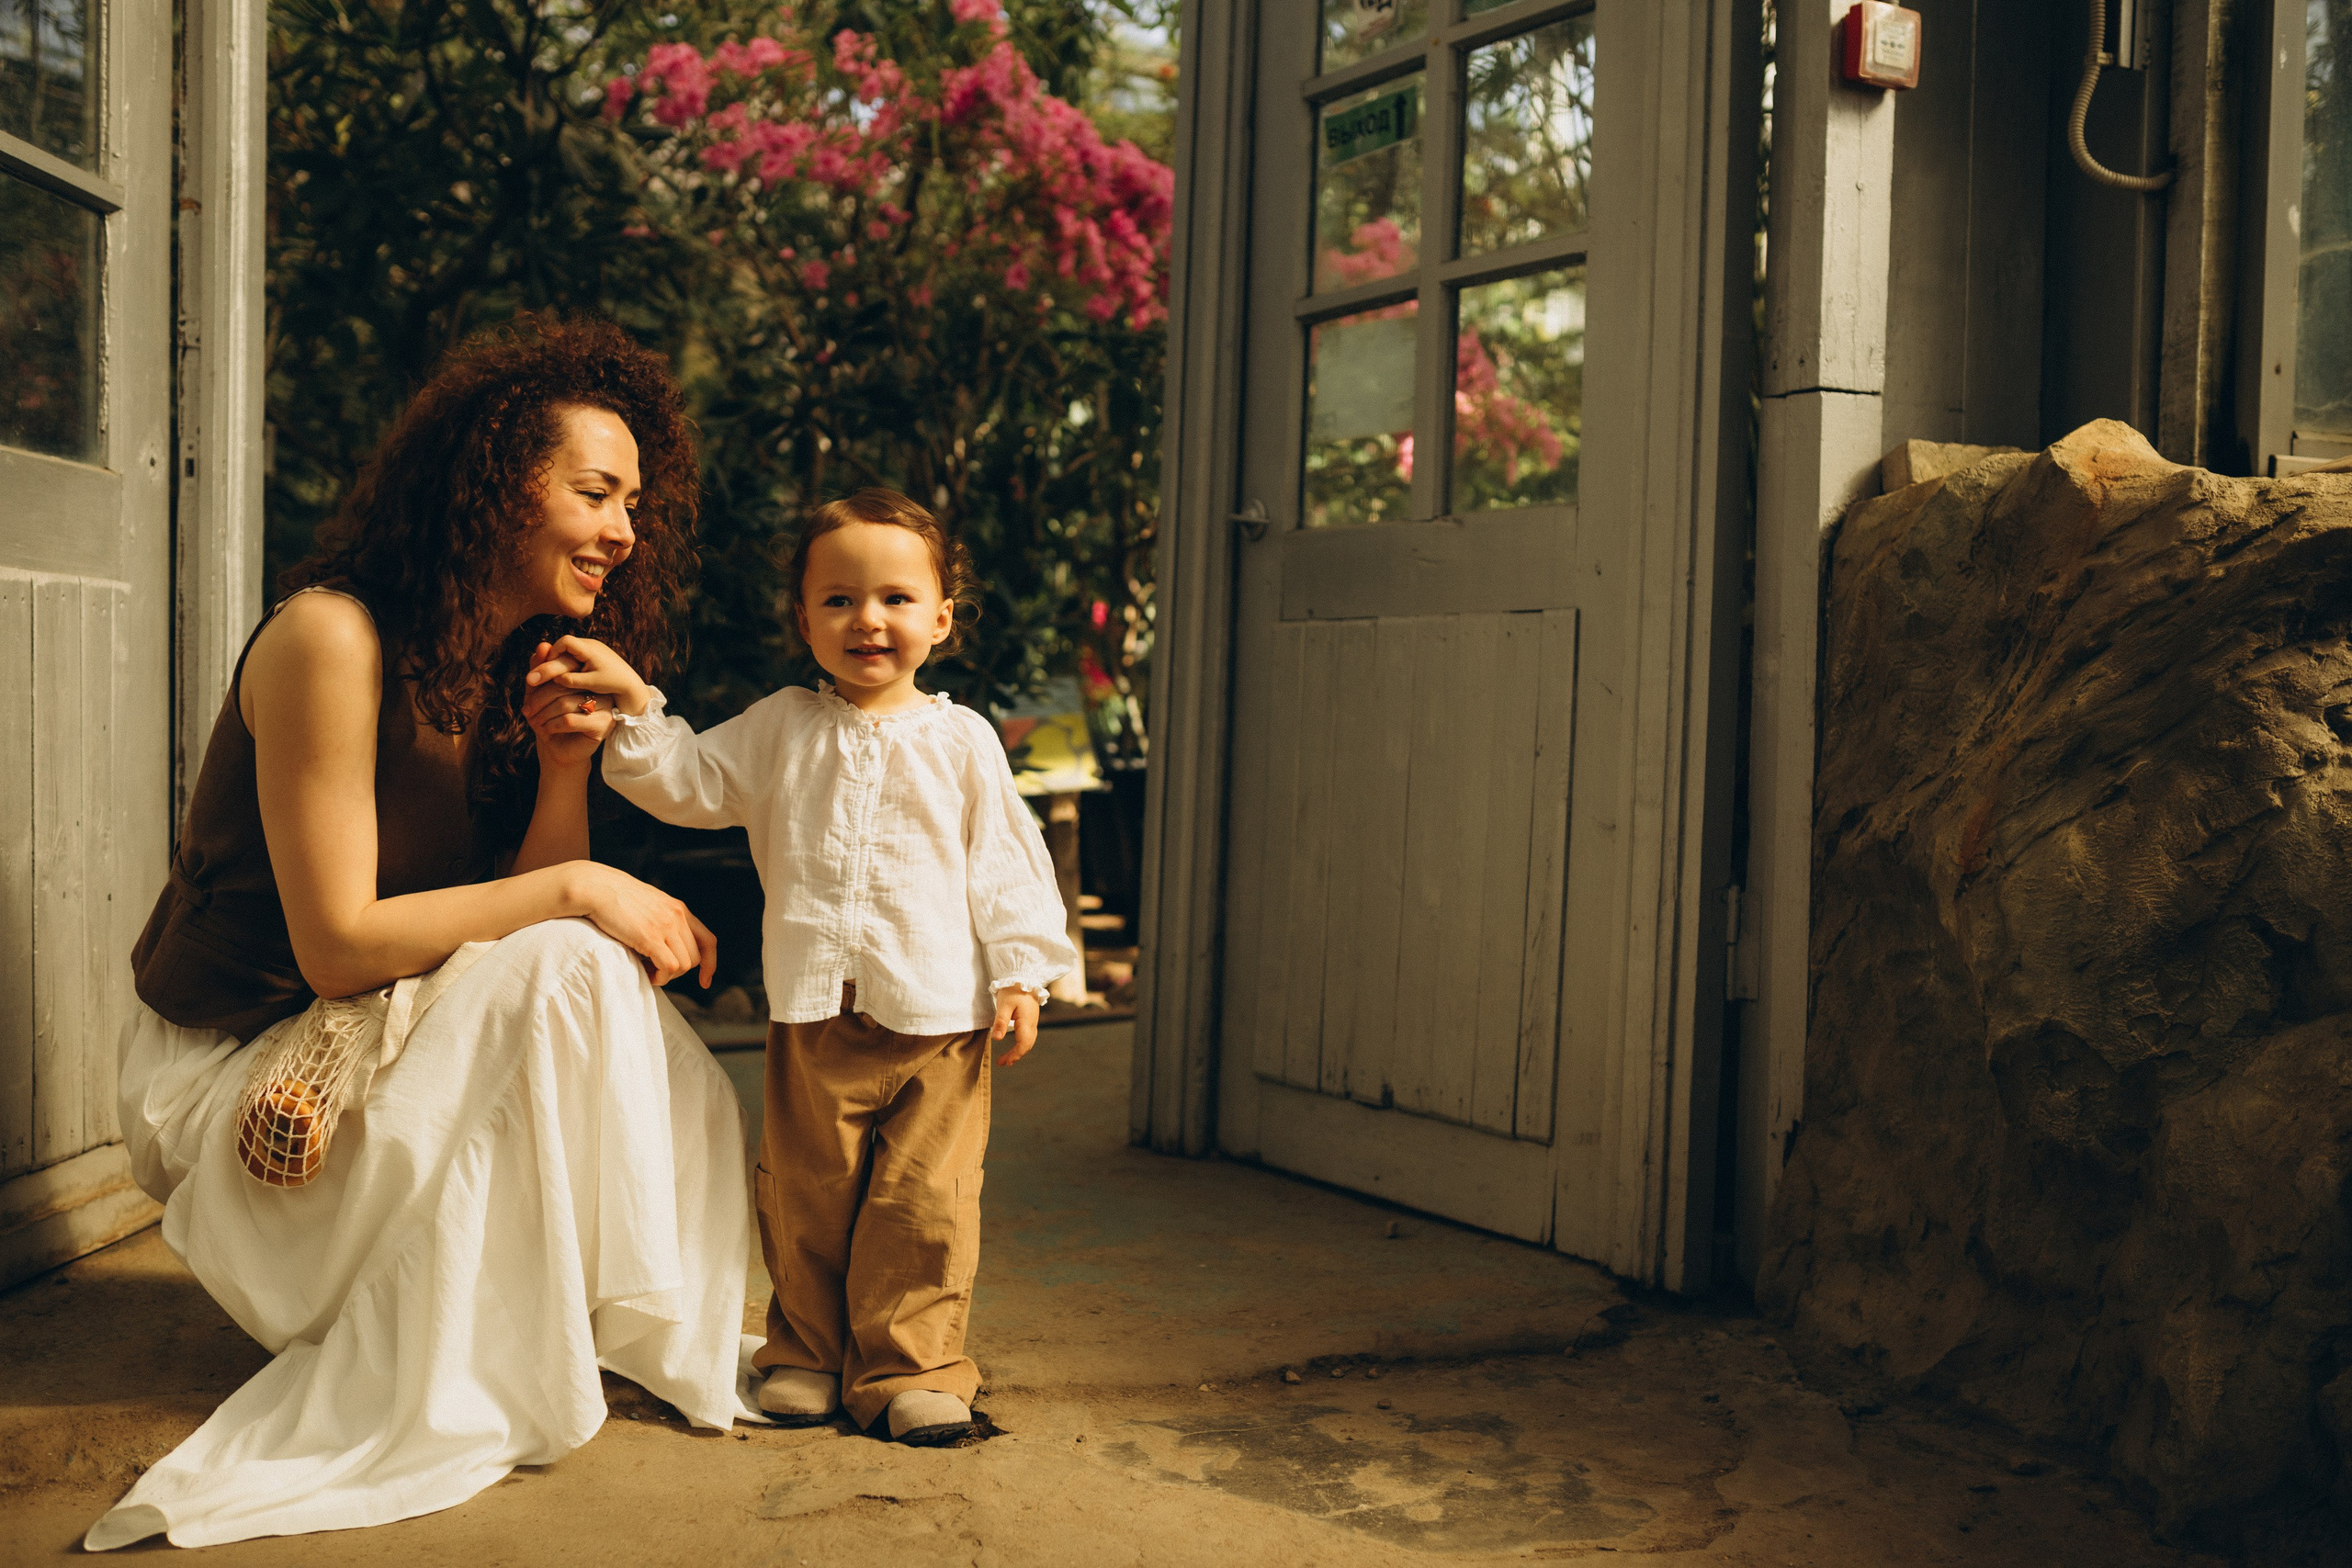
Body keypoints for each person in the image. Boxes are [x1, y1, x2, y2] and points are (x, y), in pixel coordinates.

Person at [87, 317, 761, 1551]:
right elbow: (343, 943)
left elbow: (515, 951)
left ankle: (590, 1322)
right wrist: (583, 891)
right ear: (499, 483)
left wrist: (566, 775)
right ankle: (489, 1352)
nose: (625, 530)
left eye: (634, 503)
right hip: (242, 1074)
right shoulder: (330, 637)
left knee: (616, 1002)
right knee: (574, 941)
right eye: (596, 492)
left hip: (367, 1036)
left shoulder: (506, 662)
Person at [530, 486, 1077, 1446]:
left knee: (924, 1201)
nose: (868, 620)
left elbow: (1005, 861)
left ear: (941, 619)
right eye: (839, 600)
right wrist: (634, 704)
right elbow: (689, 782)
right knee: (806, 1190)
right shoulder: (781, 726)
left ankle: (912, 1370)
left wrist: (1021, 973)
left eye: (897, 599)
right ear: (804, 618)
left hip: (939, 1019)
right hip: (815, 1014)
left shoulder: (961, 742)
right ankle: (807, 1355)